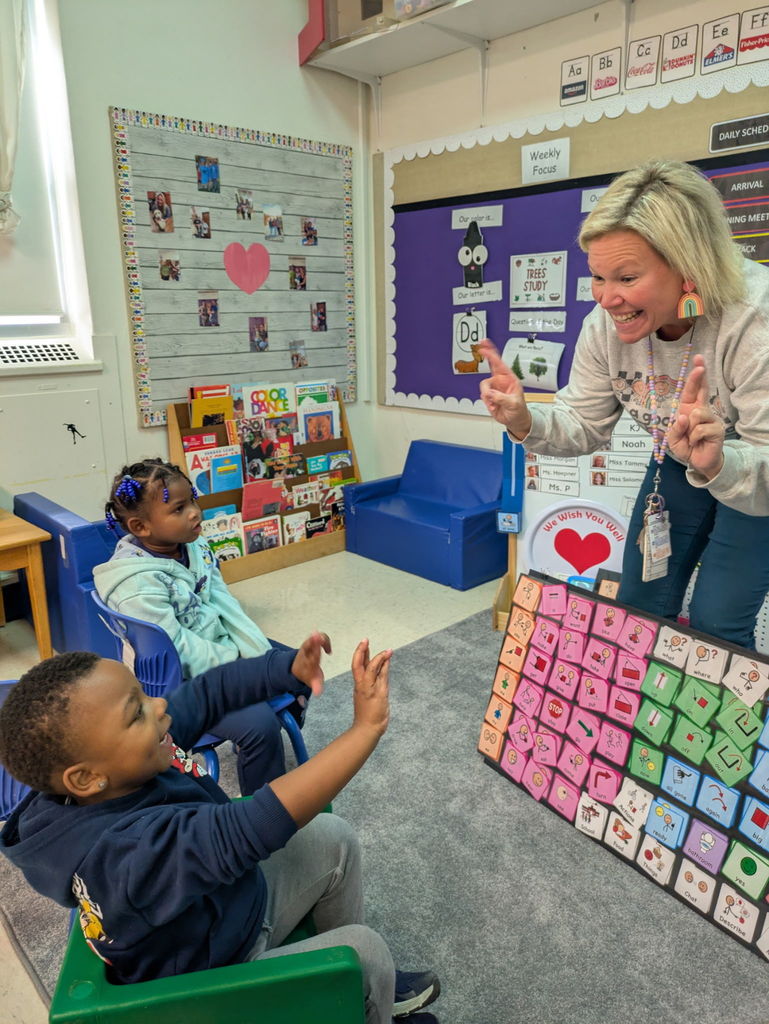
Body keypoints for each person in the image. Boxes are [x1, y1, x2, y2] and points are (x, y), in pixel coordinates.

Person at [0, 643, 441, 1023]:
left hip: (225, 910)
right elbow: (254, 825)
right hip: (212, 975)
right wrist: (365, 731)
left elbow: (205, 696)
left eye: (142, 694)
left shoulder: (117, 770)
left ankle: (356, 994)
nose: (158, 708)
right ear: (85, 778)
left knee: (332, 836)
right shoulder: (130, 858)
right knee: (365, 953)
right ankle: (366, 998)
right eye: (136, 713)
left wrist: (284, 668)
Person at [480, 159, 769, 649]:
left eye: (627, 278)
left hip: (758, 467)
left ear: (690, 269)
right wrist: (526, 419)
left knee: (717, 624)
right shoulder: (604, 325)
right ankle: (641, 721)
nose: (607, 299)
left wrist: (720, 460)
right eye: (598, 277)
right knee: (639, 605)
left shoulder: (754, 319)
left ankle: (714, 725)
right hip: (680, 456)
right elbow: (583, 422)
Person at [94, 458, 299, 794]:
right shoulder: (135, 584)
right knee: (259, 725)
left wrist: (254, 651)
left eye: (193, 500)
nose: (194, 513)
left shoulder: (192, 545)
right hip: (177, 682)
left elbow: (222, 599)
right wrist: (244, 669)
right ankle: (262, 813)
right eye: (178, 509)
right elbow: (176, 650)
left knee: (299, 664)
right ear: (141, 527)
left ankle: (282, 722)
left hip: (216, 647)